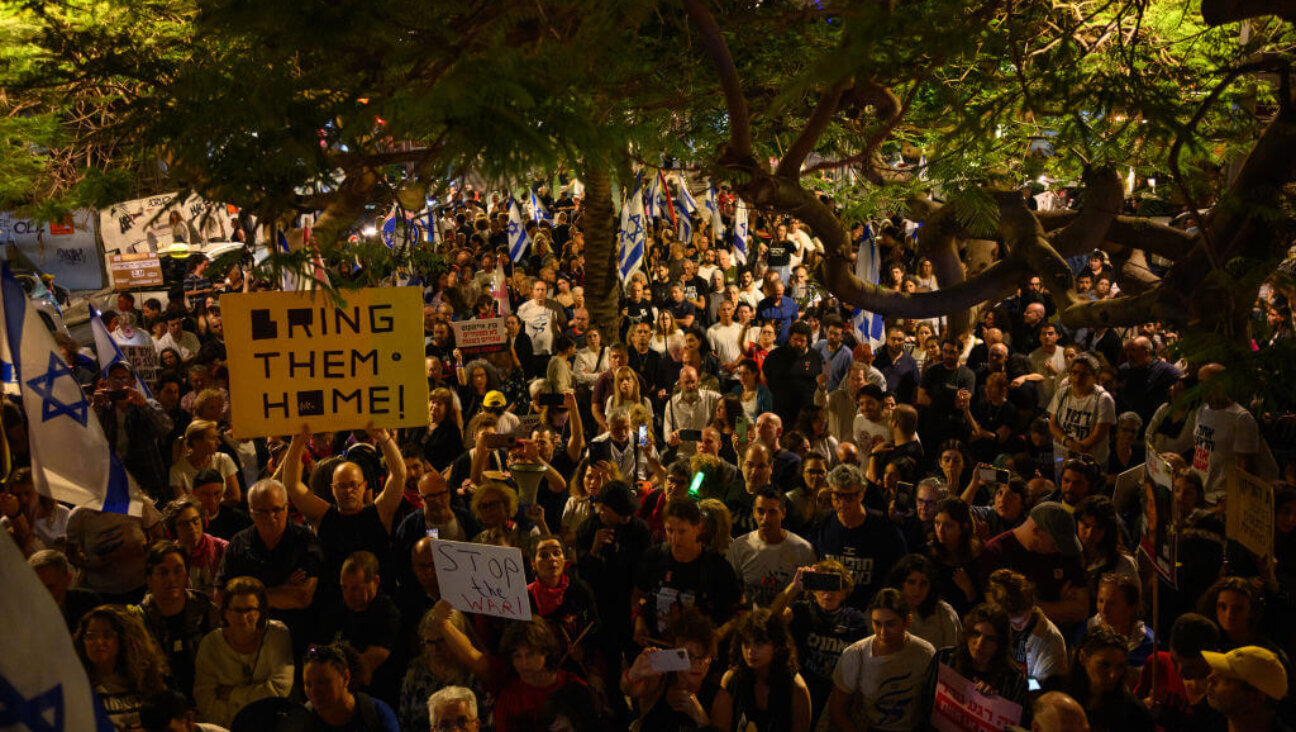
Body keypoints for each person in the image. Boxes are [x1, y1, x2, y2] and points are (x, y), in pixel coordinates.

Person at [214, 479, 324, 652]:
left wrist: (246, 598)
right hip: (250, 640)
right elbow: (220, 596)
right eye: (262, 512)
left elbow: (302, 597)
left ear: (287, 508)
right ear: (250, 512)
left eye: (277, 510)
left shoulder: (304, 540)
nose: (271, 517)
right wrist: (283, 588)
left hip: (297, 638)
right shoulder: (239, 544)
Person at [634, 498, 744, 644]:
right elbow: (639, 596)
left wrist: (718, 635)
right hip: (658, 649)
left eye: (682, 532)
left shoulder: (716, 566)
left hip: (699, 656)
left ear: (698, 528)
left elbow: (739, 612)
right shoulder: (654, 558)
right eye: (670, 531)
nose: (675, 539)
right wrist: (639, 622)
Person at [828, 588, 936, 732]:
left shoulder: (925, 653)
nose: (883, 632)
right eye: (877, 623)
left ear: (907, 621)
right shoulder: (856, 655)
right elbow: (837, 709)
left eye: (890, 624)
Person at [193, 576, 294, 728]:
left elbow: (279, 690)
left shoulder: (277, 634)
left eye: (249, 609)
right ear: (226, 612)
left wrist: (232, 694)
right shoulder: (210, 644)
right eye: (237, 610)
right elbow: (206, 701)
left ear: (260, 611)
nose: (243, 617)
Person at [977, 502, 1089, 626]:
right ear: (1036, 530)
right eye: (1055, 544)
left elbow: (1081, 610)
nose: (1058, 550)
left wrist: (1025, 608)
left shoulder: (1064, 553)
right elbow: (1002, 614)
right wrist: (1060, 606)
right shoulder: (996, 552)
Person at [813, 464, 908, 610]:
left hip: (871, 610)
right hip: (833, 608)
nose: (843, 503)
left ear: (862, 494)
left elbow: (900, 569)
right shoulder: (824, 523)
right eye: (838, 496)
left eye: (849, 497)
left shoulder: (883, 527)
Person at [138, 541, 221, 702]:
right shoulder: (139, 620)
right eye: (163, 572)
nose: (171, 579)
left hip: (207, 694)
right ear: (149, 579)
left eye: (178, 571)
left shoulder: (205, 609)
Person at [317, 551, 403, 704]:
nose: (349, 595)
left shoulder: (388, 615)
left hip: (374, 697)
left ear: (375, 581)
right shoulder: (338, 610)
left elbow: (363, 670)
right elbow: (316, 650)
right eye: (344, 588)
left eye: (355, 588)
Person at [709, 608, 813, 732]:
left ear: (776, 645)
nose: (750, 651)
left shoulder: (796, 689)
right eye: (746, 643)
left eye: (759, 643)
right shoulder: (731, 679)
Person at [76, 604, 171, 732]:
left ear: (124, 638)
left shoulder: (146, 679)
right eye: (91, 636)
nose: (98, 642)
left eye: (107, 636)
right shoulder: (75, 685)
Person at [923, 604, 1029, 718]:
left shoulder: (1014, 681)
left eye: (990, 639)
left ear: (1000, 643)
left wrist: (994, 704)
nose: (979, 644)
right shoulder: (944, 659)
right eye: (976, 634)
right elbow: (925, 707)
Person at [623, 609, 720, 731]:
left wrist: (701, 717)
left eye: (703, 656)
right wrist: (635, 674)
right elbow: (628, 689)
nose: (697, 664)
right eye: (689, 656)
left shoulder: (719, 698)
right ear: (675, 652)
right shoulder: (659, 679)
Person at [726, 485, 817, 609]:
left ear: (783, 513)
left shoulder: (803, 550)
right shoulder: (739, 547)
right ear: (753, 512)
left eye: (772, 512)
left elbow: (810, 597)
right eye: (760, 511)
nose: (765, 518)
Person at [985, 569, 1069, 689]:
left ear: (1031, 605)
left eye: (1022, 620)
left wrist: (1007, 686)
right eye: (1012, 622)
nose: (1017, 627)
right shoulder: (999, 626)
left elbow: (1039, 686)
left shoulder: (1050, 639)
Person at [1067, 627, 1155, 732]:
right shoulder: (1062, 694)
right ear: (1083, 657)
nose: (1113, 675)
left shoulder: (1134, 713)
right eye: (1104, 665)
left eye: (1120, 666)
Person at [302, 642, 400, 731]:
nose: (314, 691)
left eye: (322, 682)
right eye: (308, 684)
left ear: (345, 678)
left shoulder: (376, 714)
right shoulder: (301, 721)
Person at [1047, 352, 1116, 473]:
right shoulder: (1062, 393)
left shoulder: (1103, 399)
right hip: (1062, 459)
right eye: (1074, 373)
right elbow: (1053, 424)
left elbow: (1098, 434)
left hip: (1091, 463)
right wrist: (1067, 442)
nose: (1077, 378)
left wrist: (1077, 449)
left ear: (1094, 377)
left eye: (1084, 374)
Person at [887, 554, 961, 650]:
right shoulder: (885, 610)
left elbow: (954, 653)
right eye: (911, 582)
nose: (917, 590)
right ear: (901, 583)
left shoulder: (943, 613)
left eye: (923, 584)